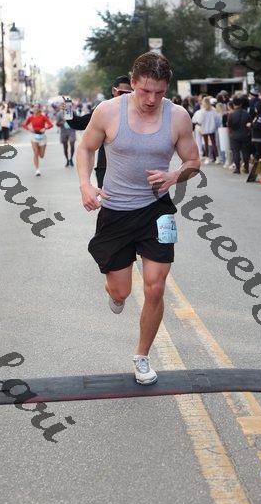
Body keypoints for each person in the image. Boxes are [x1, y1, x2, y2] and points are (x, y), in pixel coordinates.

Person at [77, 52, 200, 386]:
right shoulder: (108, 111)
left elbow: (193, 161)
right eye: (145, 90)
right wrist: (86, 185)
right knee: (121, 291)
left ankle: (142, 356)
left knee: (155, 287)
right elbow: (86, 148)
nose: (151, 99)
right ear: (132, 83)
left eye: (159, 92)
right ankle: (116, 294)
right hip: (115, 211)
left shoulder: (178, 117)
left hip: (156, 210)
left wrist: (174, 176)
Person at [22, 104, 53, 176]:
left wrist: (45, 128)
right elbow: (24, 125)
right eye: (34, 107)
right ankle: (37, 170)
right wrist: (29, 128)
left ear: (39, 109)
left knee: (41, 155)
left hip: (42, 136)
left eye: (37, 107)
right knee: (35, 152)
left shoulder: (43, 117)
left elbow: (51, 125)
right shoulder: (31, 117)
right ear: (33, 109)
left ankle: (39, 150)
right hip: (34, 136)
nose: (35, 109)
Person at [227, 96, 252, 174]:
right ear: (241, 104)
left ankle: (237, 168)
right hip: (245, 135)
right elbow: (249, 124)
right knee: (245, 152)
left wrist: (231, 133)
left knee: (236, 152)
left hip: (234, 135)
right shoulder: (246, 114)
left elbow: (229, 125)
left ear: (234, 104)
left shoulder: (231, 115)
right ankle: (246, 168)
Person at [192, 96, 219, 164]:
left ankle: (207, 158)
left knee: (206, 144)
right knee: (214, 143)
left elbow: (199, 121)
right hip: (212, 129)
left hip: (204, 129)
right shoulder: (213, 111)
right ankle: (217, 158)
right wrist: (215, 126)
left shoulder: (202, 111)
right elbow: (217, 120)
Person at [56, 102, 77, 167]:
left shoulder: (73, 112)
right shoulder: (59, 114)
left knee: (72, 144)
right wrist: (63, 122)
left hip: (71, 131)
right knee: (65, 147)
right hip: (63, 132)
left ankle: (71, 159)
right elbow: (57, 123)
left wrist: (71, 120)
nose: (64, 107)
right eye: (63, 106)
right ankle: (67, 160)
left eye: (65, 105)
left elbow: (77, 120)